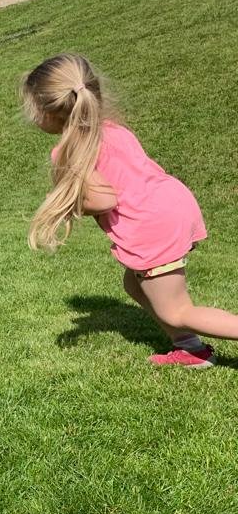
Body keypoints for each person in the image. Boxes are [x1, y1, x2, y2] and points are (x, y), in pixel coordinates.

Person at [24, 53, 238, 368]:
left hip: (151, 225)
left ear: (47, 112)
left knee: (177, 310)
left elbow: (104, 200)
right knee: (134, 284)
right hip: (173, 204)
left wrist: (68, 201)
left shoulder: (69, 152)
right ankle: (192, 350)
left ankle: (192, 343)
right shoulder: (111, 128)